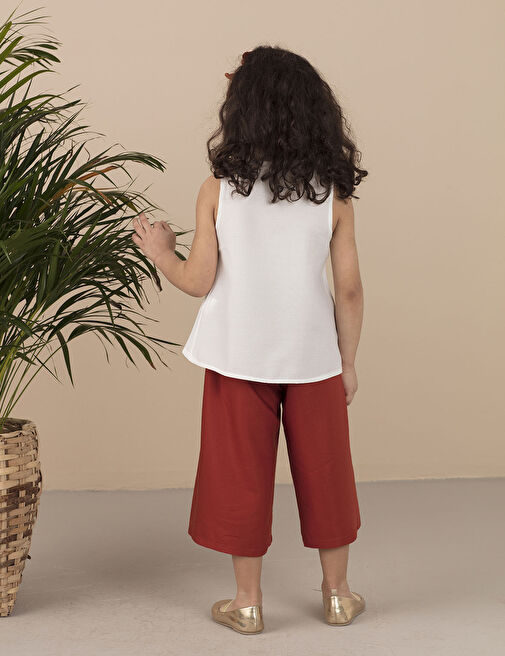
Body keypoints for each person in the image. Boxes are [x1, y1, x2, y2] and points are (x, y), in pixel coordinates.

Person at [131, 45, 368, 634]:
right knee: (327, 472)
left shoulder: (218, 191)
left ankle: (247, 604)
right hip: (312, 357)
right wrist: (347, 362)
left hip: (237, 356)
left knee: (239, 473)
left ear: (243, 110)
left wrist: (161, 251)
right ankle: (338, 595)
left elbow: (198, 281)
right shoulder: (332, 197)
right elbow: (349, 291)